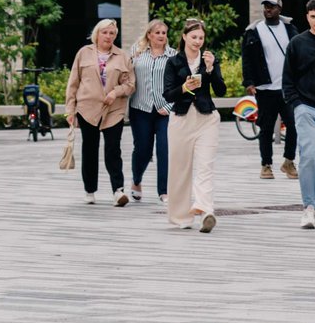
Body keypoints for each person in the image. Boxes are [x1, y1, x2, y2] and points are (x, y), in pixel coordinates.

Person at [62, 18, 134, 204]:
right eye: (105, 32)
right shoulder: (83, 53)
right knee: (90, 149)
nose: (108, 36)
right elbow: (73, 83)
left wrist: (115, 92)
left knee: (113, 149)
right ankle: (90, 190)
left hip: (113, 110)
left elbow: (130, 84)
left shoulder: (122, 56)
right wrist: (70, 110)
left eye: (112, 33)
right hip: (87, 109)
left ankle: (118, 191)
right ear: (97, 34)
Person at [164, 18, 222, 231]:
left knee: (205, 166)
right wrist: (184, 87)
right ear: (184, 37)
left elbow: (221, 90)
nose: (198, 41)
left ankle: (206, 210)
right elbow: (167, 94)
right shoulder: (173, 62)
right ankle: (181, 217)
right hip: (181, 119)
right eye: (194, 37)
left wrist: (210, 69)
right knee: (180, 169)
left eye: (201, 38)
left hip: (207, 118)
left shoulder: (210, 60)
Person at [244, 0, 299, 181]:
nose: (268, 9)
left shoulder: (290, 29)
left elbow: (299, 55)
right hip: (265, 88)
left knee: (293, 125)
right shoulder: (254, 31)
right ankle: (266, 165)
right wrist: (249, 82)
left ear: (279, 9)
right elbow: (247, 59)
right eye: (265, 6)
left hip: (287, 88)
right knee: (266, 128)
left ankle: (289, 161)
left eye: (272, 6)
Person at [126, 19, 172, 206]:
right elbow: (126, 77)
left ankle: (164, 191)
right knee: (142, 150)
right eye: (157, 32)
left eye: (164, 33)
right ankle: (136, 180)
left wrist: (169, 107)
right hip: (140, 109)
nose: (161, 36)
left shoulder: (173, 56)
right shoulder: (136, 53)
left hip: (164, 111)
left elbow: (180, 84)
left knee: (164, 149)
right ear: (149, 35)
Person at [287, 0, 315, 227]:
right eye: (313, 16)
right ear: (307, 17)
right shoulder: (297, 43)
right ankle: (308, 207)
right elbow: (287, 78)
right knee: (310, 156)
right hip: (306, 107)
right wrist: (296, 104)